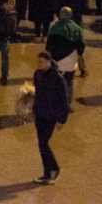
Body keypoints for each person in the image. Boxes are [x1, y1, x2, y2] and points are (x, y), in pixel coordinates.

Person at [32, 51, 69, 184]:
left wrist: (61, 120)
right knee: (41, 144)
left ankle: (54, 168)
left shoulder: (57, 78)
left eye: (41, 62)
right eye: (38, 61)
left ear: (48, 62)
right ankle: (47, 173)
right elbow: (37, 93)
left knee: (43, 143)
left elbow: (64, 100)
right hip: (40, 113)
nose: (39, 64)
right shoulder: (37, 74)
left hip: (50, 115)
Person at [45, 7, 85, 111]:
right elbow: (81, 45)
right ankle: (68, 104)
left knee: (56, 82)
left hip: (56, 60)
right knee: (69, 81)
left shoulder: (54, 28)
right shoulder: (77, 29)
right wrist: (78, 53)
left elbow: (48, 46)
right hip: (71, 60)